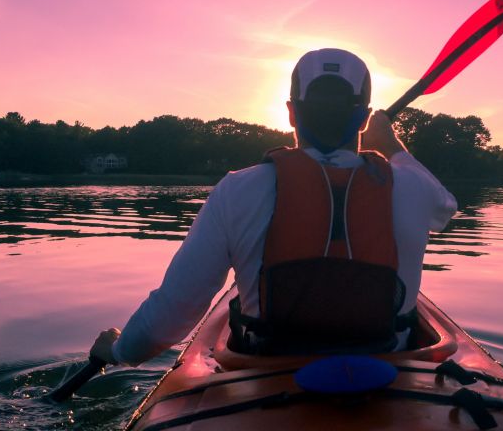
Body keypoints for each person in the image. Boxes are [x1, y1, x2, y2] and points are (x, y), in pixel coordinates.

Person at [90, 48, 458, 365]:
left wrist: (119, 351)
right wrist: (390, 144)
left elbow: (168, 318)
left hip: (267, 373)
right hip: (389, 374)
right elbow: (446, 206)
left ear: (291, 113)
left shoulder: (237, 190)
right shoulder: (412, 187)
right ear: (363, 118)